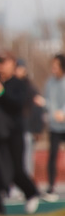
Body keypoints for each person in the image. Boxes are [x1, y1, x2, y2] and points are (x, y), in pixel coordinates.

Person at [0, 52, 40, 216]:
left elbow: (18, 105)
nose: (1, 66)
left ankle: (31, 193)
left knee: (15, 169)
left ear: (12, 64)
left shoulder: (19, 84)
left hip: (13, 134)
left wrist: (1, 93)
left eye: (4, 62)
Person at [43, 53, 65, 199]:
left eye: (56, 66)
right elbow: (48, 101)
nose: (53, 69)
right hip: (54, 126)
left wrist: (63, 113)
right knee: (52, 156)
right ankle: (51, 187)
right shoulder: (49, 83)